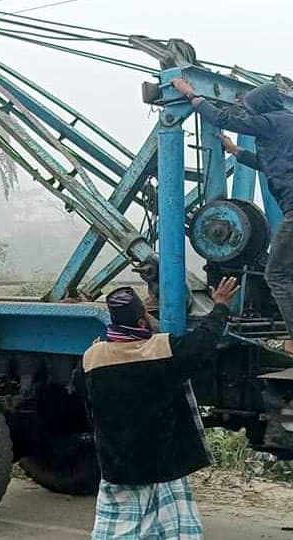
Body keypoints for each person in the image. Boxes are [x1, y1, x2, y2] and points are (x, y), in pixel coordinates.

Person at [85, 277, 239, 539]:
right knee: (173, 530)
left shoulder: (92, 358)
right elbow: (202, 342)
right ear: (142, 322)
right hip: (162, 467)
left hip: (120, 468)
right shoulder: (162, 351)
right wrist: (221, 305)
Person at [172, 78, 293, 354]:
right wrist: (237, 152)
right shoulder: (287, 122)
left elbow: (222, 117)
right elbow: (271, 164)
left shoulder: (269, 121)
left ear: (261, 107)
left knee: (276, 275)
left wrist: (191, 94)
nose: (250, 115)